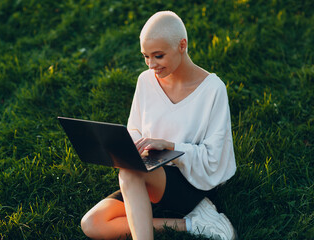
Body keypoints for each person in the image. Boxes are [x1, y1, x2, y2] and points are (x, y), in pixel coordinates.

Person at [80, 11, 237, 240]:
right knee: (92, 223)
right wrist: (127, 147)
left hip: (191, 179)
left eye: (159, 56)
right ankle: (194, 224)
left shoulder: (213, 90)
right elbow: (134, 130)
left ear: (182, 45)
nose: (151, 64)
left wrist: (170, 147)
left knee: (130, 172)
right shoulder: (145, 80)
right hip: (151, 171)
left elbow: (215, 161)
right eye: (145, 56)